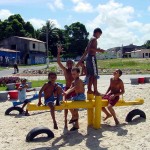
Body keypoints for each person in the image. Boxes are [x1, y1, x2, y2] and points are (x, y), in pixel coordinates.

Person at [76, 28, 105, 96]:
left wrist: (80, 60)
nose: (99, 36)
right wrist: (99, 50)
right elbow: (90, 49)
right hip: (92, 57)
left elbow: (87, 49)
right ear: (97, 33)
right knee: (94, 75)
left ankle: (89, 89)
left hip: (88, 58)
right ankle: (95, 91)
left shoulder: (91, 39)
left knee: (90, 75)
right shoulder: (94, 39)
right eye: (99, 35)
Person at [57, 45, 76, 128]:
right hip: (67, 89)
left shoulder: (74, 71)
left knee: (74, 106)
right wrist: (58, 52)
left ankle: (74, 118)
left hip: (74, 90)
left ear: (72, 64)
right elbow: (58, 62)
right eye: (68, 63)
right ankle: (65, 121)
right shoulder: (65, 70)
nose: (69, 64)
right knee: (65, 106)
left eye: (70, 63)